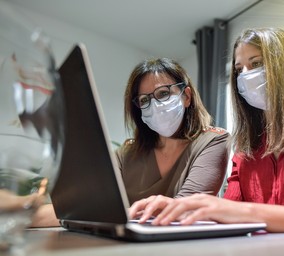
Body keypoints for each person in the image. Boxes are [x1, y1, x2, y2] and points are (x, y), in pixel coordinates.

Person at [129, 27, 284, 247]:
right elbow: (223, 217)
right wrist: (176, 210)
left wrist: (242, 211)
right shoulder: (247, 149)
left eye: (256, 64)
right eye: (239, 69)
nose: (245, 75)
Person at [31, 57, 230, 227]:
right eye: (144, 100)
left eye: (163, 93)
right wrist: (19, 210)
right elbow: (85, 207)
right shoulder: (127, 152)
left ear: (186, 96)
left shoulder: (213, 140)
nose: (155, 105)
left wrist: (108, 214)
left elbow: (184, 210)